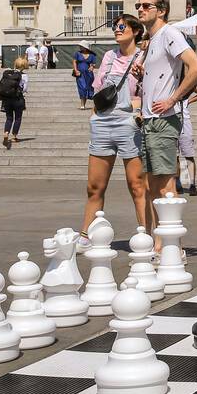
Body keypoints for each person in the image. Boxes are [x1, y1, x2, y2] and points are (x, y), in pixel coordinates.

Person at [134, 0, 197, 245]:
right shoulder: (152, 40)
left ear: (161, 10)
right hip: (150, 119)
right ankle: (159, 243)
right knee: (153, 186)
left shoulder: (169, 33)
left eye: (146, 6)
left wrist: (173, 98)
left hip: (163, 119)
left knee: (165, 186)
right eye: (138, 6)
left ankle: (171, 248)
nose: (140, 9)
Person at [76, 15, 149, 252]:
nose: (117, 31)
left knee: (137, 184)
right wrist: (94, 115)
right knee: (94, 186)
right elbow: (98, 88)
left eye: (122, 27)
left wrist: (138, 112)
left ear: (136, 31)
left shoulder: (144, 56)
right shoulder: (108, 56)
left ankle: (145, 235)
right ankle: (86, 233)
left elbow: (150, 89)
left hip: (129, 121)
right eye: (115, 27)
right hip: (103, 121)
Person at [175, 84, 197, 197]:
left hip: (185, 123)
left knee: (189, 155)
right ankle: (177, 183)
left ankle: (192, 184)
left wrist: (188, 101)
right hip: (172, 122)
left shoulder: (187, 82)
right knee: (175, 156)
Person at [0, 56, 29, 149]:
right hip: (18, 99)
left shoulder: (8, 73)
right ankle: (14, 136)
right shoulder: (24, 76)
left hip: (7, 99)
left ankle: (6, 133)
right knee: (18, 118)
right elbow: (25, 89)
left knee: (9, 118)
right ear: (24, 65)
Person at [72, 41, 98, 110]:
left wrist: (92, 67)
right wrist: (76, 70)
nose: (80, 47)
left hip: (89, 74)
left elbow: (93, 64)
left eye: (81, 46)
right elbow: (74, 62)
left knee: (87, 88)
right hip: (80, 74)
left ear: (85, 47)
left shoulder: (92, 55)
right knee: (82, 88)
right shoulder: (77, 54)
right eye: (80, 46)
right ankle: (82, 104)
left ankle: (84, 104)